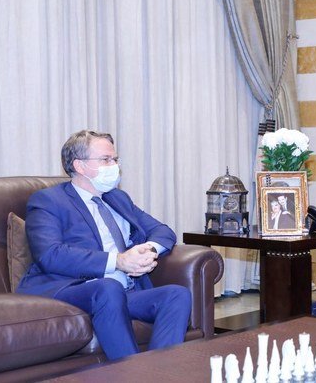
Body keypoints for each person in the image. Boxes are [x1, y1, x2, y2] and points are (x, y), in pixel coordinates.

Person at [16, 130, 191, 360]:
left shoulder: (117, 198)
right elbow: (50, 254)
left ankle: (158, 372)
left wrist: (146, 252)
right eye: (106, 160)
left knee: (177, 295)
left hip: (124, 291)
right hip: (74, 288)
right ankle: (131, 374)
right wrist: (119, 261)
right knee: (108, 287)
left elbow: (162, 231)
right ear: (79, 166)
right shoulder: (49, 200)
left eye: (115, 159)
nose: (115, 166)